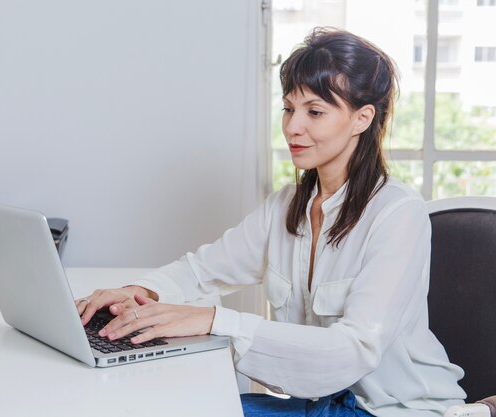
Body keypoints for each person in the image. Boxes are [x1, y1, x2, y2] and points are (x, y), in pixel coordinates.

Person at [76, 27, 465, 417]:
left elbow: (352, 351)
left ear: (362, 118)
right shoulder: (286, 205)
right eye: (288, 108)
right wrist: (138, 291)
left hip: (393, 410)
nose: (293, 127)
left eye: (314, 112)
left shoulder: (398, 215)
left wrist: (215, 320)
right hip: (315, 406)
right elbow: (202, 271)